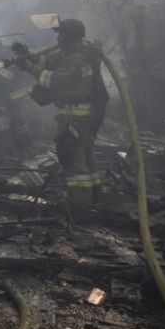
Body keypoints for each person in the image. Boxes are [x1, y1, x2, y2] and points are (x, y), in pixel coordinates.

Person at [18, 18, 109, 207]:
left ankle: (79, 205)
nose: (58, 39)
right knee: (85, 157)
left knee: (73, 159)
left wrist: (30, 68)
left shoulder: (77, 57)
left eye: (61, 35)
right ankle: (93, 199)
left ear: (68, 37)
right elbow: (52, 60)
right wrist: (29, 57)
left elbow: (53, 80)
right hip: (83, 116)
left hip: (74, 116)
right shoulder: (80, 52)